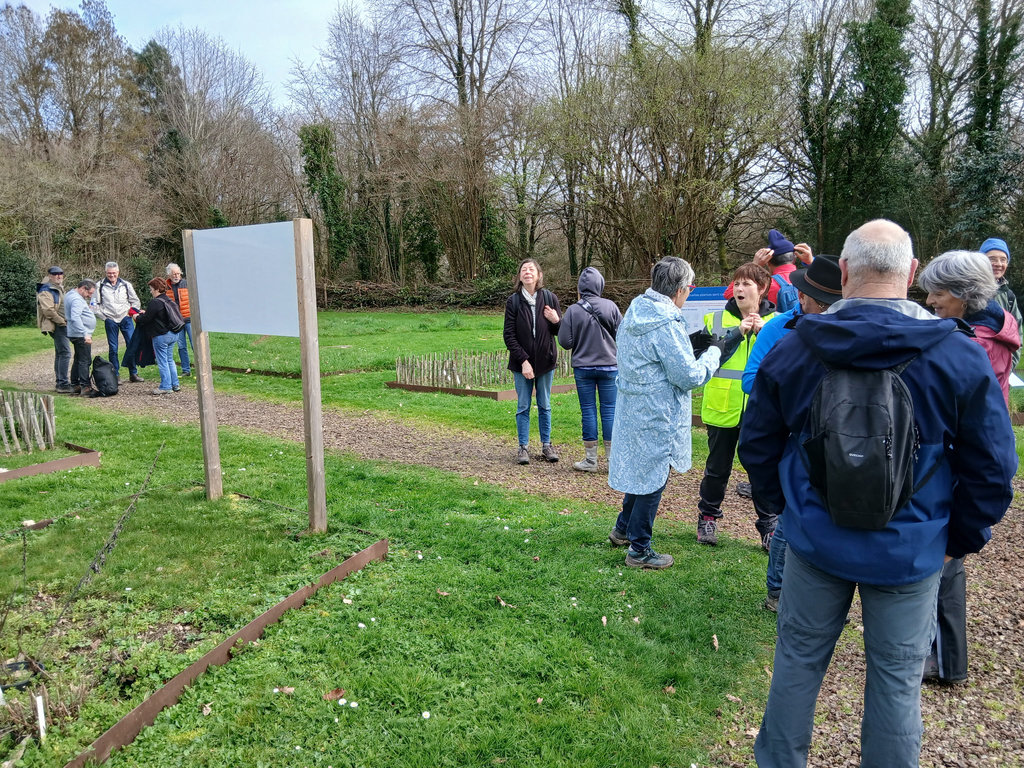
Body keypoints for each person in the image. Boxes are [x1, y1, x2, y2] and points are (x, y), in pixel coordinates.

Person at [739, 219, 1015, 768]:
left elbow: (757, 444)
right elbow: (992, 467)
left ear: (842, 272)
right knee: (896, 682)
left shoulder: (796, 349)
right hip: (911, 550)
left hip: (816, 540)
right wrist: (957, 540)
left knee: (797, 665)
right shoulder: (958, 356)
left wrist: (786, 509)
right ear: (912, 274)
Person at [917, 249, 1019, 685]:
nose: (930, 301)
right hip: (969, 453)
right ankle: (946, 658)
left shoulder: (974, 343)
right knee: (948, 563)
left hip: (964, 459)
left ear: (963, 293)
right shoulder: (991, 326)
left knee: (946, 562)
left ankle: (945, 661)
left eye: (938, 292)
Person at [607, 257, 733, 569]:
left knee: (641, 470)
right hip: (657, 413)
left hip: (634, 407)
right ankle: (639, 549)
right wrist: (714, 351)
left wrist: (693, 341)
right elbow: (689, 376)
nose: (689, 293)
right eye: (689, 288)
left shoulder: (638, 309)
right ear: (679, 290)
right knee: (654, 478)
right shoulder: (666, 322)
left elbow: (656, 354)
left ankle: (623, 529)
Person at [739, 254, 843, 612]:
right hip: (794, 440)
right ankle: (778, 590)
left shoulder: (850, 331)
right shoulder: (779, 329)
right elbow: (751, 380)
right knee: (789, 519)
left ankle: (822, 595)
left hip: (839, 444)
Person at [694, 262, 775, 548]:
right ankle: (707, 518)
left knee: (762, 471)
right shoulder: (715, 320)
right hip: (722, 407)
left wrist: (765, 333)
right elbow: (704, 358)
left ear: (761, 289)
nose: (739, 289)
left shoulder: (777, 322)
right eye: (736, 283)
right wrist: (737, 333)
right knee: (717, 469)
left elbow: (786, 362)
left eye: (746, 284)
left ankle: (769, 526)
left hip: (762, 411)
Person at [920, 249, 1020, 404]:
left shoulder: (976, 346)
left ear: (966, 294)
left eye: (938, 294)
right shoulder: (985, 327)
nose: (929, 301)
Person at [557, 267, 622, 472]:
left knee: (588, 410)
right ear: (600, 285)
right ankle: (612, 461)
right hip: (609, 366)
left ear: (580, 288)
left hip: (583, 368)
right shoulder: (611, 306)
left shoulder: (573, 310)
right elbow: (622, 336)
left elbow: (565, 342)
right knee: (609, 411)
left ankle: (591, 460)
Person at [503, 259, 562, 465]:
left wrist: (556, 320)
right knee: (523, 405)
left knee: (545, 404)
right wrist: (524, 361)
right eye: (523, 270)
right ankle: (523, 447)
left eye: (531, 269)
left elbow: (560, 333)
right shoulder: (514, 301)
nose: (527, 272)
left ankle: (546, 445)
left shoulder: (550, 298)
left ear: (539, 275)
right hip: (522, 364)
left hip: (546, 362)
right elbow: (509, 335)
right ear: (520, 276)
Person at [725, 230, 814, 307]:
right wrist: (811, 262)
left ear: (768, 262)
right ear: (794, 259)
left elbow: (730, 294)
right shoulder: (811, 279)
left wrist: (753, 266)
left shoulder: (765, 285)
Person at [92, 261, 143, 383]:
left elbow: (135, 301)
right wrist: (104, 317)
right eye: (109, 273)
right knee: (113, 349)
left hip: (126, 318)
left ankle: (133, 373)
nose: (112, 275)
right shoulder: (99, 286)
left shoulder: (126, 285)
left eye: (114, 273)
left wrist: (131, 313)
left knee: (131, 345)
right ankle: (116, 375)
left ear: (118, 272)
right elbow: (94, 305)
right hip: (110, 320)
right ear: (105, 272)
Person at [979, 237, 1022, 368]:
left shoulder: (1008, 296)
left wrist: (1008, 368)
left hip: (1001, 371)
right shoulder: (967, 291)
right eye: (992, 259)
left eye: (1003, 260)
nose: (998, 264)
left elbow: (1016, 335)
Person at [135, 277, 182, 395]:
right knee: (169, 360)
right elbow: (158, 315)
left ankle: (165, 386)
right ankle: (175, 384)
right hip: (174, 333)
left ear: (156, 289)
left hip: (161, 335)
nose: (150, 291)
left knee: (162, 361)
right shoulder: (168, 300)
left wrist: (136, 317)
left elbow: (146, 319)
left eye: (151, 288)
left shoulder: (155, 302)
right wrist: (146, 313)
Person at [36, 266, 72, 394]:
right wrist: (62, 322)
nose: (59, 276)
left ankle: (60, 382)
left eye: (60, 274)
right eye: (55, 274)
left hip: (61, 324)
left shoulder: (58, 287)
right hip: (57, 325)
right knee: (65, 353)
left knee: (60, 353)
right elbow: (48, 311)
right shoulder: (46, 290)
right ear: (50, 276)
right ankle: (62, 384)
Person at [64, 280, 98, 397]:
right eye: (89, 293)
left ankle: (75, 385)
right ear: (83, 288)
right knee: (85, 360)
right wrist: (85, 333)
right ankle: (85, 387)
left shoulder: (70, 294)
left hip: (75, 333)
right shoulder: (76, 299)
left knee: (78, 359)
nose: (90, 296)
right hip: (80, 334)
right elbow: (75, 317)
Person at [165, 263, 193, 376]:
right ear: (169, 275)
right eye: (174, 274)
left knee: (195, 345)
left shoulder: (186, 284)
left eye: (178, 273)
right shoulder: (166, 287)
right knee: (181, 346)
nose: (176, 276)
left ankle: (201, 368)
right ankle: (186, 370)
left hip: (189, 319)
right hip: (177, 321)